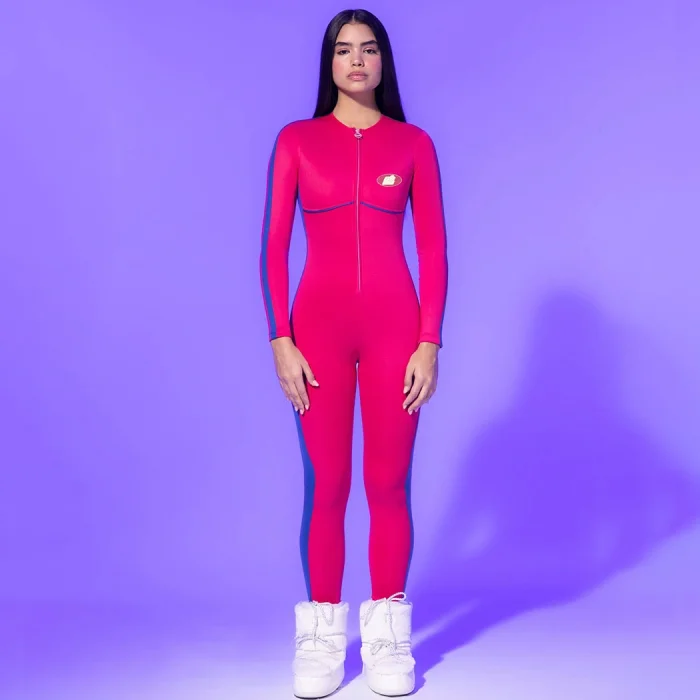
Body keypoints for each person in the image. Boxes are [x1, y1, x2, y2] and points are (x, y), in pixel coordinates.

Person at [259, 8, 448, 698]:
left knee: (388, 483)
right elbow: (272, 248)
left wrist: (429, 342)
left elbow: (434, 249)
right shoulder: (297, 141)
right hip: (317, 335)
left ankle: (390, 639)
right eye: (344, 50)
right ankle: (320, 639)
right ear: (330, 62)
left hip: (397, 332)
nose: (358, 60)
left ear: (384, 61)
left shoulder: (414, 144)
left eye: (369, 49)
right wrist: (281, 340)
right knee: (329, 484)